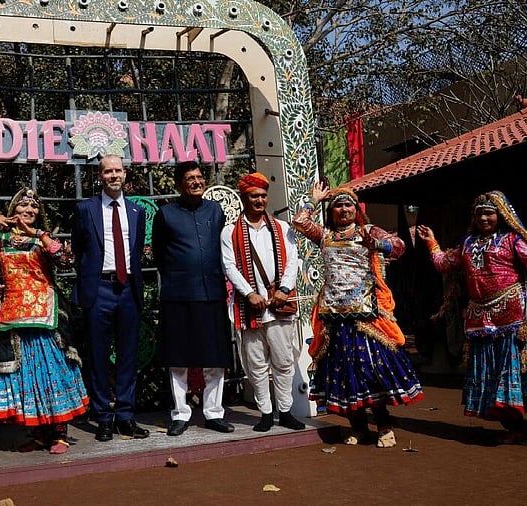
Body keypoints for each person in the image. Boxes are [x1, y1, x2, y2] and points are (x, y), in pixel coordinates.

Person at [416, 191, 527, 448]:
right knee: (494, 380)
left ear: (501, 215)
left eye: (489, 213)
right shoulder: (468, 244)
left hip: (516, 319)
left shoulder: (513, 241)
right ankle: (516, 430)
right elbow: (444, 263)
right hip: (482, 321)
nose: (484, 218)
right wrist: (431, 243)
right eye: (479, 213)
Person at [291, 183, 424, 448]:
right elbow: (299, 221)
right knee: (342, 373)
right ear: (332, 211)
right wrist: (314, 200)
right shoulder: (325, 235)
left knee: (371, 369)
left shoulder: (368, 231)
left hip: (366, 315)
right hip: (334, 316)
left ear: (356, 209)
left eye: (348, 205)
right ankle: (359, 427)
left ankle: (384, 425)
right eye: (338, 205)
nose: (343, 209)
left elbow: (399, 247)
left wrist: (377, 244)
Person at [0, 188, 89, 454]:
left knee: (51, 370)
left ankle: (59, 434)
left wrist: (39, 235)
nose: (29, 211)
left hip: (45, 312)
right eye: (23, 206)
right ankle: (39, 434)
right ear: (13, 211)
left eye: (34, 207)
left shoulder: (44, 239)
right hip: (13, 312)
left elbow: (66, 260)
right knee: (24, 374)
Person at [152, 161, 235, 436]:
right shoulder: (165, 214)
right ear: (179, 184)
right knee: (178, 359)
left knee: (215, 358)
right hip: (178, 296)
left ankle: (214, 413)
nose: (197, 182)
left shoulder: (215, 210)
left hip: (211, 294)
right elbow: (159, 254)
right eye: (190, 178)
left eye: (200, 177)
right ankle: (180, 414)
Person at [71, 154, 149, 441]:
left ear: (125, 174)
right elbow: (79, 248)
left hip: (128, 289)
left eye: (118, 170)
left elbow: (136, 251)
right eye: (108, 171)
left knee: (128, 356)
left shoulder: (137, 212)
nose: (113, 175)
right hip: (98, 289)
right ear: (99, 176)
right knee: (98, 357)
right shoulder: (85, 209)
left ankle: (126, 417)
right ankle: (103, 417)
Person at [220, 173, 306, 433]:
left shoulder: (282, 228)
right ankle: (266, 413)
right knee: (255, 363)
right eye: (254, 195)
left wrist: (283, 289)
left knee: (283, 360)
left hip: (280, 305)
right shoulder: (230, 231)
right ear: (244, 197)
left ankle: (286, 411)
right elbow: (229, 266)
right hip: (250, 308)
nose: (259, 200)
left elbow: (293, 261)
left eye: (263, 195)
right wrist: (249, 294)